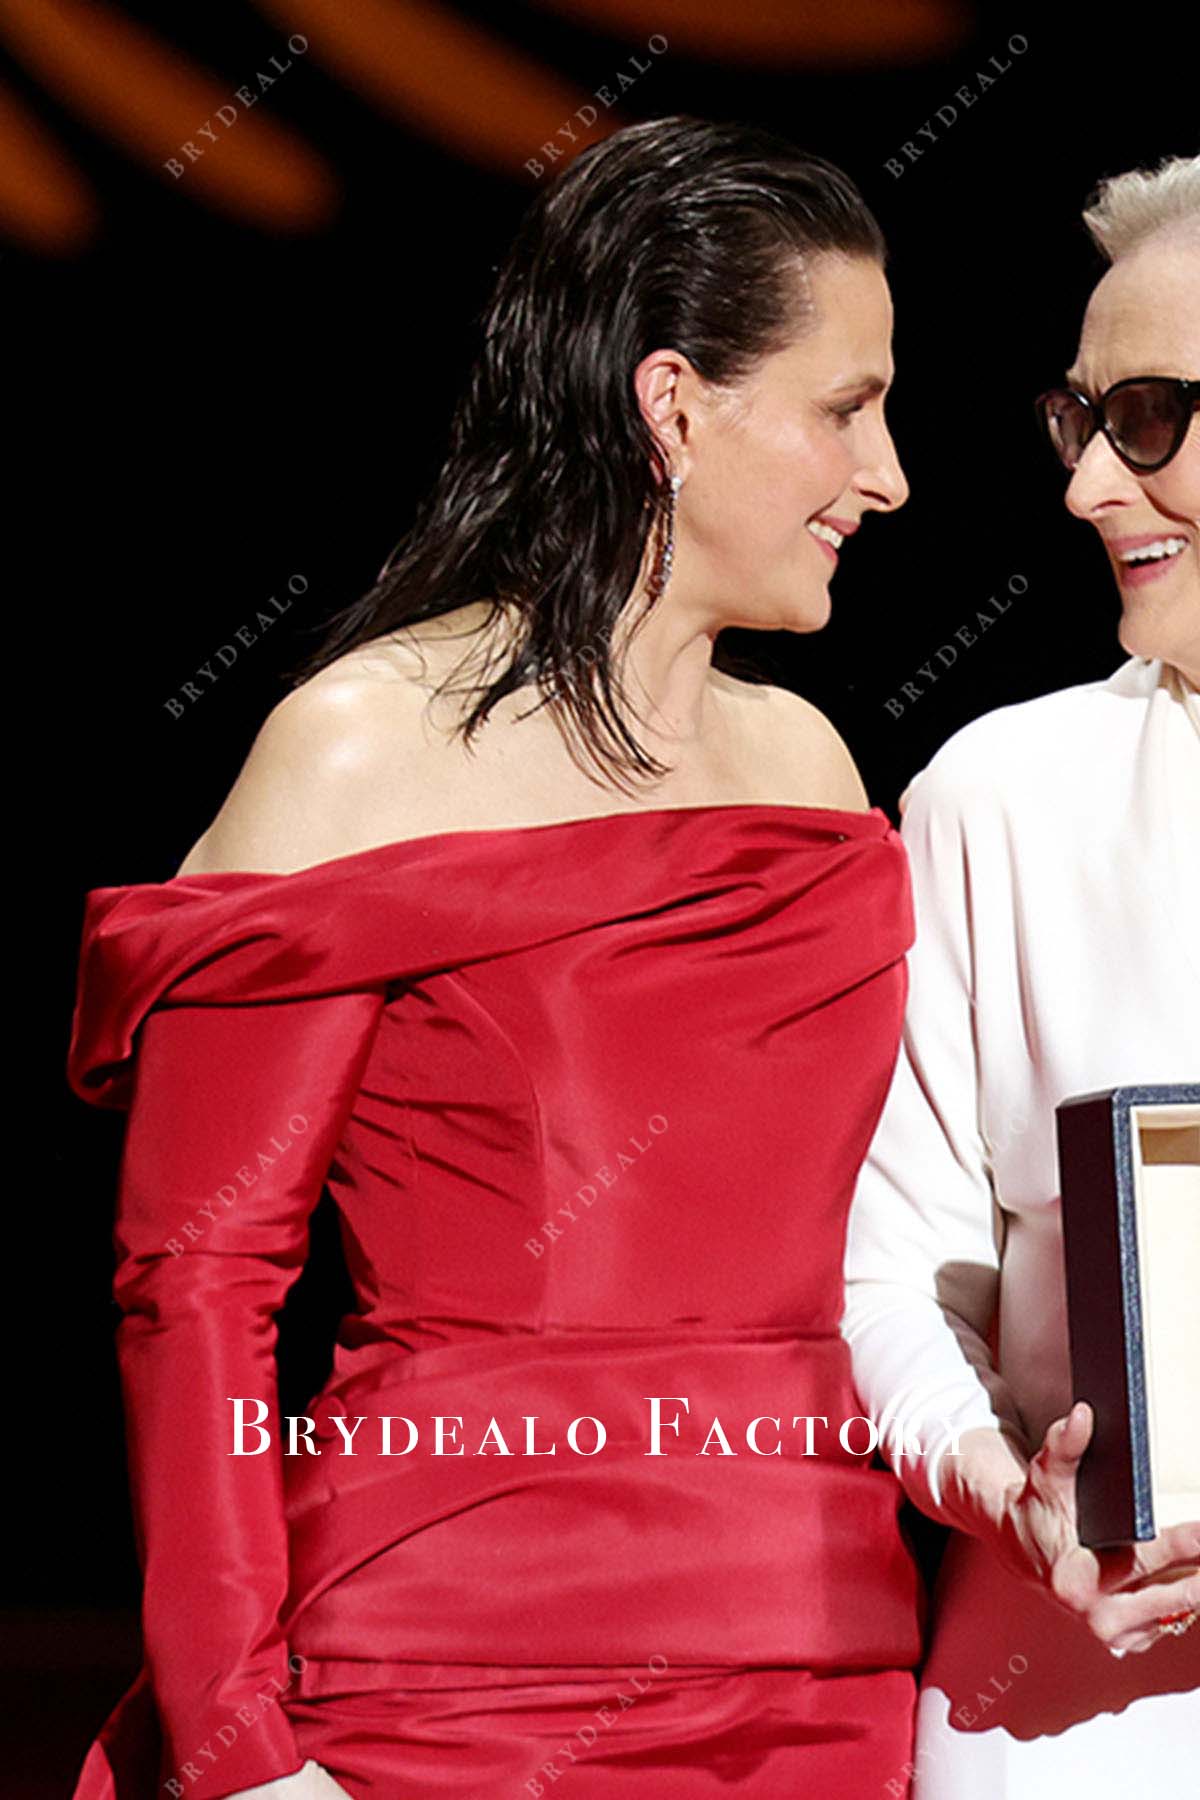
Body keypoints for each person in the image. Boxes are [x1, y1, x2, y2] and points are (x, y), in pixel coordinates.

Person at [67, 115, 916, 1800]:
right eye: (846, 408)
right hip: (454, 1693)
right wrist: (238, 1748)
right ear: (672, 407)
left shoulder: (818, 774)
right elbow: (199, 1283)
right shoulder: (361, 750)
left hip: (823, 1669)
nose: (892, 475)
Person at [842, 152, 1200, 1798]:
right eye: (1082, 421)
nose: (1085, 488)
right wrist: (1015, 1492)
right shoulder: (998, 796)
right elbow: (899, 1280)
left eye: (1151, 417)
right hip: (1074, 1721)